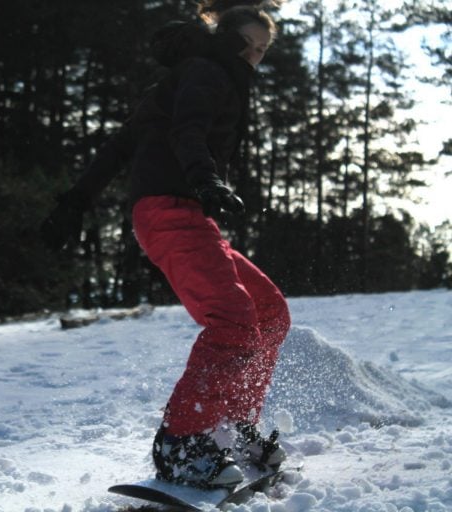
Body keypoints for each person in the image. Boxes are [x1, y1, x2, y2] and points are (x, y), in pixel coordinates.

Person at [40, 0, 291, 489]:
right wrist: (206, 179)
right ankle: (181, 441)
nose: (253, 56)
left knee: (269, 312)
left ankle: (229, 427)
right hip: (168, 209)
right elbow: (189, 131)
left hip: (188, 212)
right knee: (234, 320)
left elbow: (121, 145)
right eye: (246, 44)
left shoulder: (185, 78)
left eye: (262, 50)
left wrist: (75, 201)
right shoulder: (206, 71)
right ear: (223, 37)